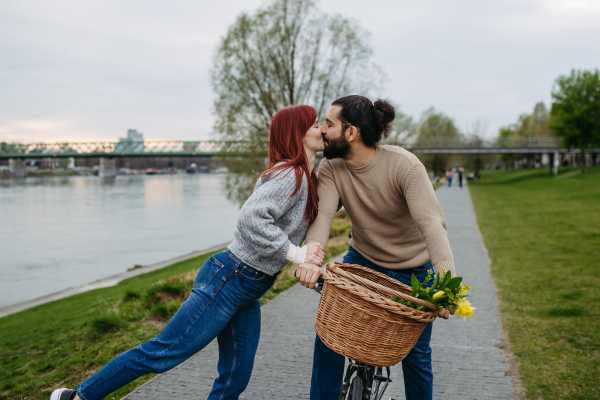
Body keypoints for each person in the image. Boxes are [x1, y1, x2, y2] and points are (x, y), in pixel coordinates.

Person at [50, 105, 327, 400]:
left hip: (248, 288)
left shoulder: (307, 177)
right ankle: (78, 396)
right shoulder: (290, 174)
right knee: (164, 352)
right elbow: (251, 219)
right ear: (297, 133)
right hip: (230, 278)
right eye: (314, 125)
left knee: (235, 376)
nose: (321, 129)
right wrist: (296, 254)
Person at [295, 95, 456, 400]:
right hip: (363, 261)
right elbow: (323, 219)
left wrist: (447, 287)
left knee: (416, 354)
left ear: (351, 132)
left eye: (329, 123)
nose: (323, 130)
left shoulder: (403, 165)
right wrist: (311, 259)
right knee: (329, 336)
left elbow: (432, 227)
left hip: (415, 271)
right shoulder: (332, 170)